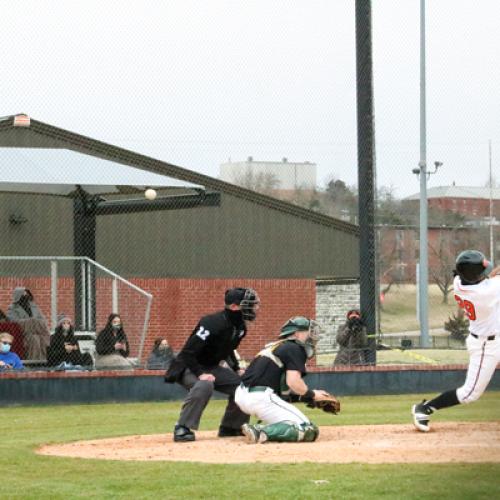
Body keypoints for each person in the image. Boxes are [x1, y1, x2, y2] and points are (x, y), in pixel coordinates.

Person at [412, 250, 500, 432]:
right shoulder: (485, 292)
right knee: (470, 393)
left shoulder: (460, 282)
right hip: (486, 345)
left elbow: (491, 277)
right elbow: (493, 278)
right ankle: (425, 408)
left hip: (491, 336)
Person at [165, 287, 260, 442]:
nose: (253, 308)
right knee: (205, 384)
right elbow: (188, 352)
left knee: (244, 386)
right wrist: (200, 374)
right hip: (188, 366)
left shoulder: (240, 327)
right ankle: (182, 427)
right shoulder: (211, 323)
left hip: (211, 367)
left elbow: (228, 349)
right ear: (234, 307)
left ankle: (231, 427)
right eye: (249, 304)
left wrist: (237, 369)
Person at [235, 316, 332, 443]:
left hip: (242, 395)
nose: (312, 336)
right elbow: (293, 382)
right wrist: (313, 394)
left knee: (291, 423)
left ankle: (261, 431)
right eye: (308, 332)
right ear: (296, 334)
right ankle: (260, 431)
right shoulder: (294, 348)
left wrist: (306, 398)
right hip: (261, 398)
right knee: (308, 429)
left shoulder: (277, 347)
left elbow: (284, 391)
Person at [6, 287, 50, 360]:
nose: (25, 295)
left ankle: (41, 362)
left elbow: (43, 321)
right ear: (18, 295)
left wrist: (32, 322)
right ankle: (33, 363)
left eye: (26, 293)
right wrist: (32, 321)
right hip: (23, 334)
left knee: (40, 339)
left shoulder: (34, 307)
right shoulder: (12, 308)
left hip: (38, 333)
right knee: (34, 339)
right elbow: (14, 322)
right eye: (23, 293)